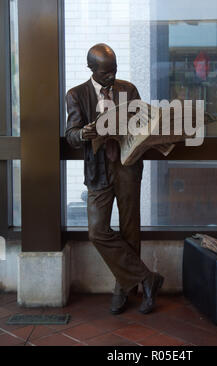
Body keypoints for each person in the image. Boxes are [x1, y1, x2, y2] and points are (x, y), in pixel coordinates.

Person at [65, 43, 164, 315]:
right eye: (107, 73)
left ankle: (123, 287)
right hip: (98, 169)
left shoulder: (128, 90)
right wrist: (83, 134)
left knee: (130, 227)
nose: (112, 76)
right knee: (97, 231)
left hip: (127, 166)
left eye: (114, 70)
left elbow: (144, 123)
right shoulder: (76, 95)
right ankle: (146, 278)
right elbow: (71, 134)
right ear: (92, 70)